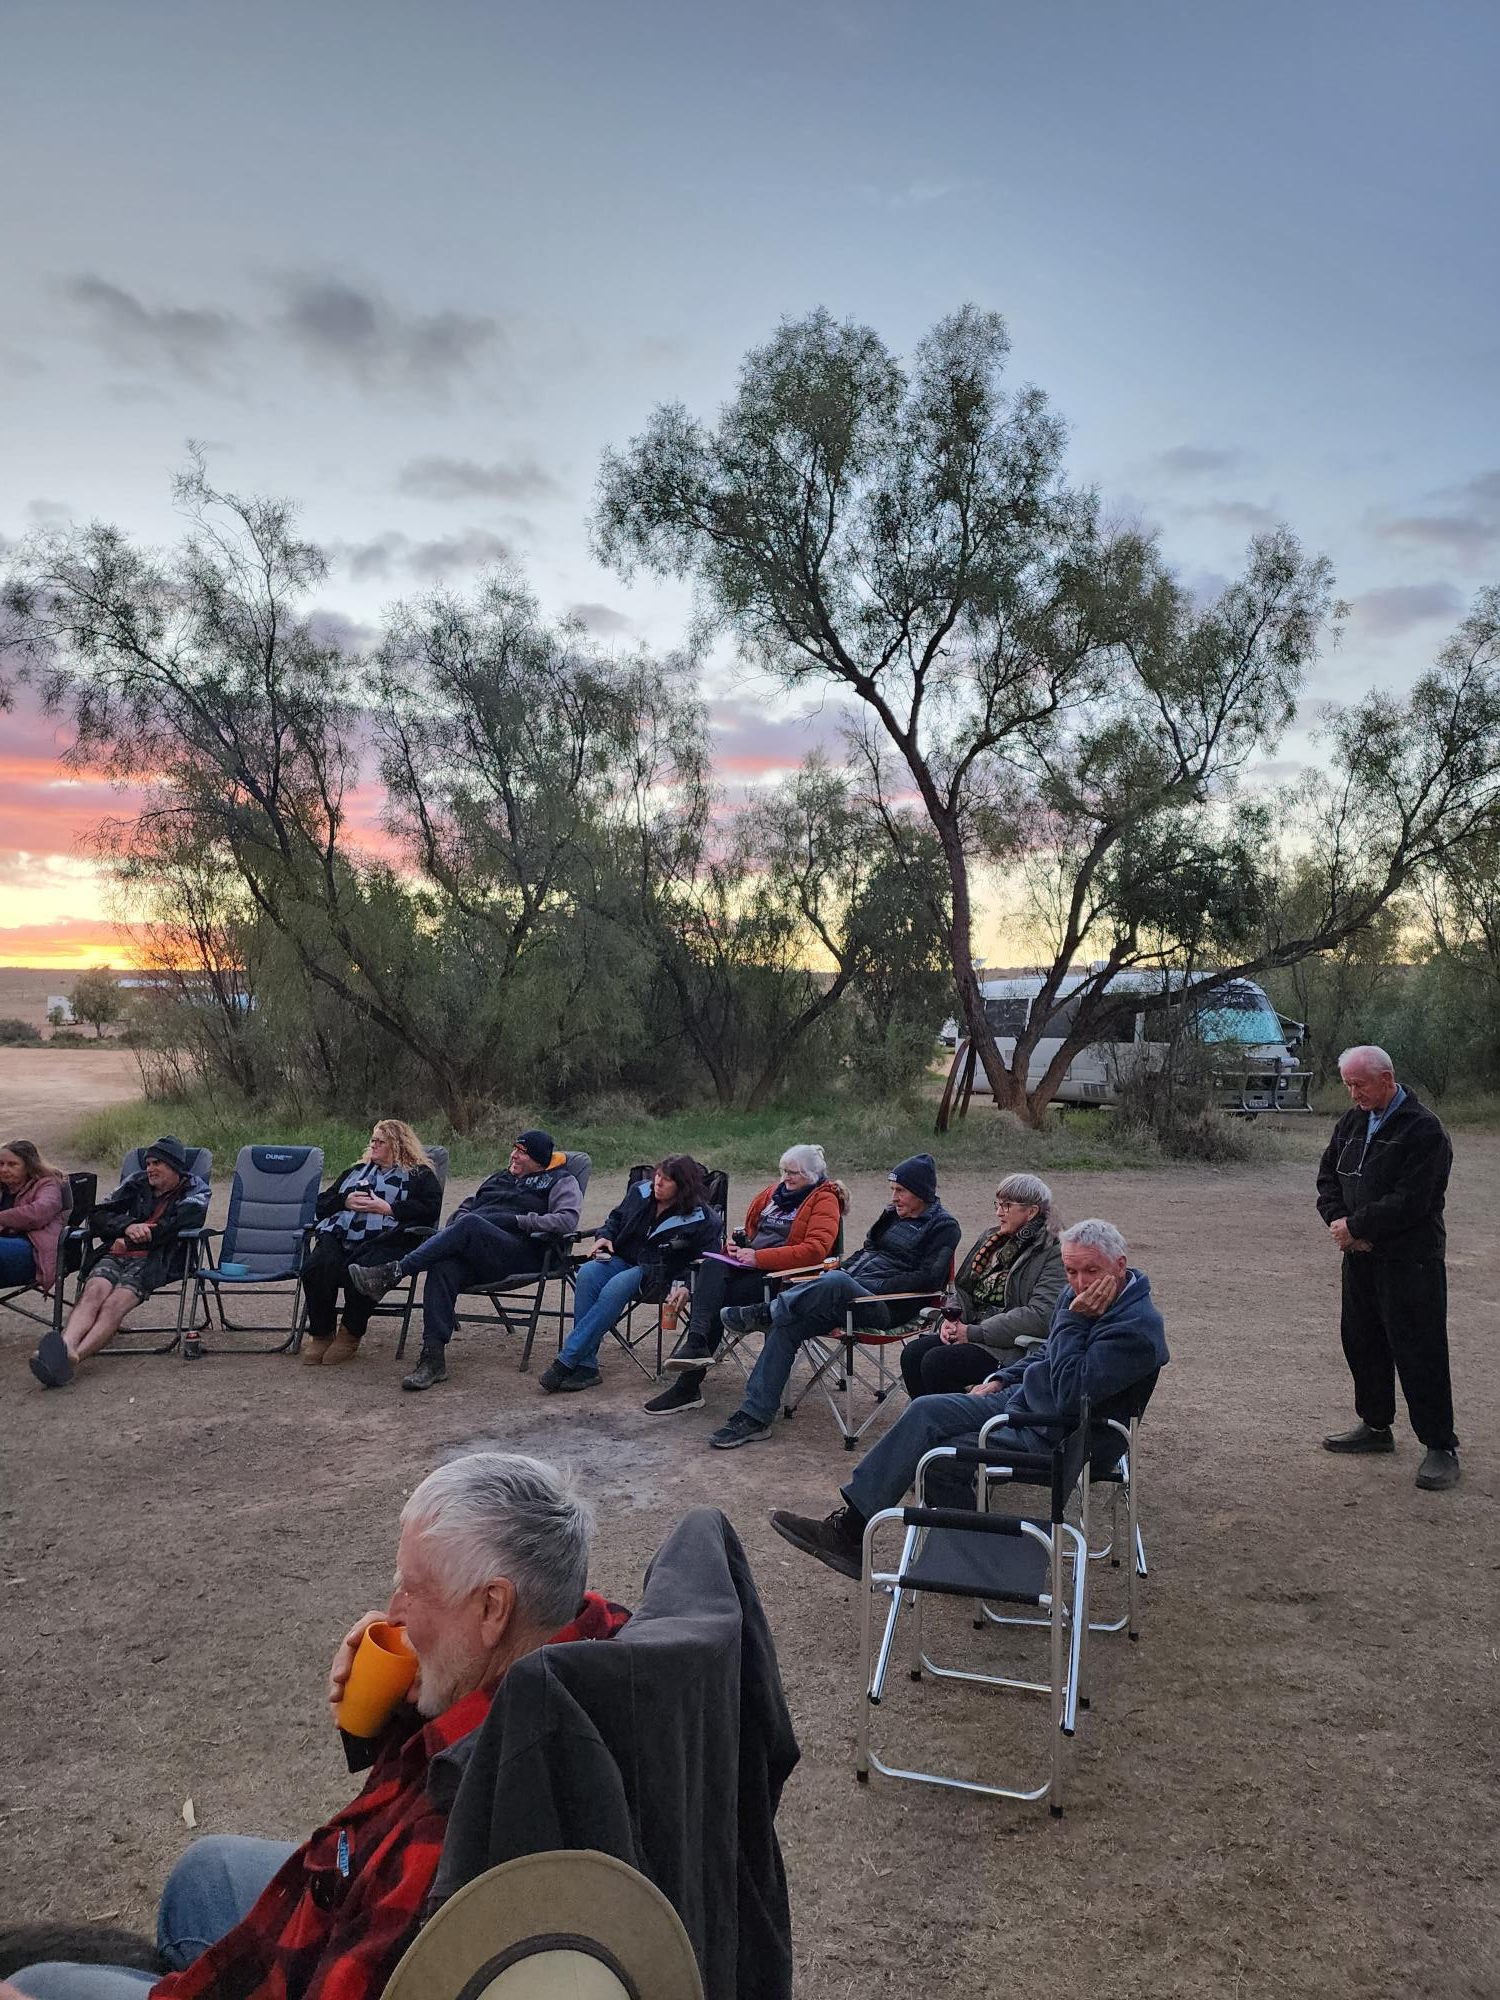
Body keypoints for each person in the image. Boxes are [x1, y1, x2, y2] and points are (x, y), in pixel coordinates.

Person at [0, 1451, 626, 2000]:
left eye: (413, 1590)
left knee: (39, 1982)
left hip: (365, 1943)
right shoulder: (600, 1645)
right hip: (370, 1895)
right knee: (205, 1873)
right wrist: (405, 1706)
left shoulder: (468, 1813)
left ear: (492, 1607)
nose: (394, 1613)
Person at [769, 1217, 1169, 1577]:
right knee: (925, 1410)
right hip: (1022, 1401)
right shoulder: (1081, 1300)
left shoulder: (1135, 1330)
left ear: (1120, 1265)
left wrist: (1071, 1320)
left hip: (1060, 1435)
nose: (1079, 1283)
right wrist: (1002, 1377)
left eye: (1091, 1271)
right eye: (1071, 1271)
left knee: (937, 1456)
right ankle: (857, 1530)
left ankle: (969, 1557)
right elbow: (1046, 1353)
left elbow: (1069, 1394)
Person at [705, 1153, 962, 1451]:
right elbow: (865, 1252)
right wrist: (841, 1272)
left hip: (888, 1307)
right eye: (893, 1189)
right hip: (848, 1298)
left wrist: (862, 1284)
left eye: (901, 1191)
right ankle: (755, 1415)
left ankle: (766, 1311)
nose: (894, 1197)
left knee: (836, 1282)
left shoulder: (944, 1226)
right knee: (789, 1322)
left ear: (921, 1193)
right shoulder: (891, 1215)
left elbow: (929, 1279)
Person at [1315, 1045, 1460, 1491]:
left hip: (1410, 1260)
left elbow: (1414, 1198)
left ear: (1387, 1079)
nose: (1353, 1094)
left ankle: (1440, 1446)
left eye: (1359, 1085)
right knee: (1362, 1343)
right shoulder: (1351, 1122)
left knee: (1419, 1350)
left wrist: (1358, 1227)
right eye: (1348, 1085)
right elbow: (1327, 1178)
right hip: (1359, 1258)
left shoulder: (1424, 1129)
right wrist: (1340, 1223)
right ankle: (1375, 1426)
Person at [351, 1130, 582, 1392]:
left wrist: (518, 1221)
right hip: (478, 1250)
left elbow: (566, 1220)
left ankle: (394, 1272)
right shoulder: (498, 1178)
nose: (513, 1155)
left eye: (521, 1152)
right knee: (443, 1265)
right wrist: (459, 1223)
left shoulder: (561, 1181)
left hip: (522, 1253)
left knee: (471, 1224)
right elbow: (464, 1209)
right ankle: (433, 1359)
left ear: (538, 1159)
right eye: (514, 1149)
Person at [645, 1144, 846, 1415]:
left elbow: (815, 1250)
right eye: (784, 1171)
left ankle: (688, 1382)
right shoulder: (772, 1194)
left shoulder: (824, 1199)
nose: (786, 1178)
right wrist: (735, 1246)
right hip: (748, 1268)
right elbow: (749, 1233)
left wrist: (758, 1257)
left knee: (712, 1299)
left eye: (793, 1173)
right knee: (713, 1264)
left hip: (782, 1280)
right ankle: (695, 1347)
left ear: (811, 1175)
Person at [27, 1138, 209, 1390]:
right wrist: (128, 1226)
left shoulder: (196, 1190)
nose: (150, 1168)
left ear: (175, 1166)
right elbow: (97, 1214)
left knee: (113, 1304)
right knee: (93, 1294)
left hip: (157, 1259)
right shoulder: (135, 1183)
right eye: (148, 1163)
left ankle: (73, 1357)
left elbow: (181, 1223)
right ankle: (65, 1346)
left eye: (157, 1163)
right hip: (116, 1253)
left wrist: (135, 1239)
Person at [539, 1155, 721, 1394]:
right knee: (588, 1273)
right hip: (623, 1258)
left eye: (667, 1180)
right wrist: (604, 1236)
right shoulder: (640, 1191)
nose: (658, 1183)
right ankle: (586, 1366)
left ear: (683, 1186)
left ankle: (565, 1361)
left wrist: (687, 1285)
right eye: (658, 1175)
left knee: (617, 1285)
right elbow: (615, 1218)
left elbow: (708, 1260)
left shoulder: (702, 1217)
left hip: (659, 1274)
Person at [898, 1171, 1065, 1398]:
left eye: (1007, 1206)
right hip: (973, 1332)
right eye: (998, 1204)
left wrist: (974, 1332)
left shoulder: (1052, 1252)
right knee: (913, 1354)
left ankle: (958, 1417)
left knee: (937, 1363)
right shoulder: (992, 1239)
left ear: (1031, 1211)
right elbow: (962, 1289)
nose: (998, 1212)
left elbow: (1040, 1316)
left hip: (1011, 1347)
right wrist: (950, 1321)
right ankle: (931, 1418)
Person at [299, 1120, 442, 1367]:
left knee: (363, 1271)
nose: (373, 1145)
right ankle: (322, 1333)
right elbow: (321, 1204)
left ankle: (350, 1333)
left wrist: (389, 1208)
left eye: (380, 1141)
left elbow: (430, 1208)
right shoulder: (356, 1172)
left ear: (397, 1145)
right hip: (341, 1234)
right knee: (316, 1266)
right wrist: (345, 1201)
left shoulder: (419, 1175)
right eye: (372, 1140)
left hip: (388, 1239)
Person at [0, 1139, 70, 1296]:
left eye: (12, 1164)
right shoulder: (2, 1187)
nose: (4, 1169)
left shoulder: (47, 1184)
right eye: (1, 1164)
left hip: (35, 1249)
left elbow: (39, 1213)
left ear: (29, 1166)